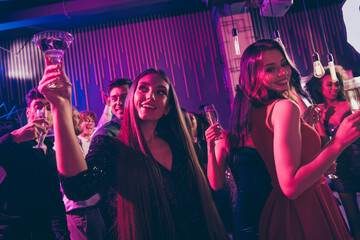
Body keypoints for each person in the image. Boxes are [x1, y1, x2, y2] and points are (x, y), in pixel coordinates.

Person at [38, 64, 229, 239]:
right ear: (132, 98)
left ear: (167, 108)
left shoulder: (180, 147)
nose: (150, 96)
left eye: (160, 92)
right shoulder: (111, 146)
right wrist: (60, 106)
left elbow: (203, 196)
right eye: (143, 88)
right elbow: (78, 187)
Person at [207, 39, 360, 240]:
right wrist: (338, 142)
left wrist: (316, 154)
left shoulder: (258, 113)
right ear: (253, 75)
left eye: (283, 64)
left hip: (260, 215)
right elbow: (290, 186)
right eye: (271, 69)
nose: (282, 73)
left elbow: (282, 165)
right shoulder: (283, 108)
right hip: (294, 211)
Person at [0, 87, 70, 239]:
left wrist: (63, 234)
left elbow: (55, 197)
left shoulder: (51, 151)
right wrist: (14, 137)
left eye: (49, 108)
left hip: (44, 231)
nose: (44, 112)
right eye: (38, 106)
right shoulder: (10, 137)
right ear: (28, 113)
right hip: (11, 231)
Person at [205, 87, 273, 240]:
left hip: (277, 206)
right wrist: (210, 147)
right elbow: (216, 184)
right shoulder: (227, 138)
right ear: (244, 107)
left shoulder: (273, 133)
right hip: (249, 216)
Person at [306, 65, 360, 240]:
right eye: (329, 85)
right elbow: (324, 144)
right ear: (318, 87)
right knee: (353, 219)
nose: (335, 88)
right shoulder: (319, 112)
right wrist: (317, 121)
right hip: (342, 170)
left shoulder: (352, 102)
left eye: (337, 84)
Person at [61, 107, 105, 240]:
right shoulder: (63, 147)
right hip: (81, 213)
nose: (80, 119)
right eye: (76, 117)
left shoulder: (78, 142)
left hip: (93, 208)